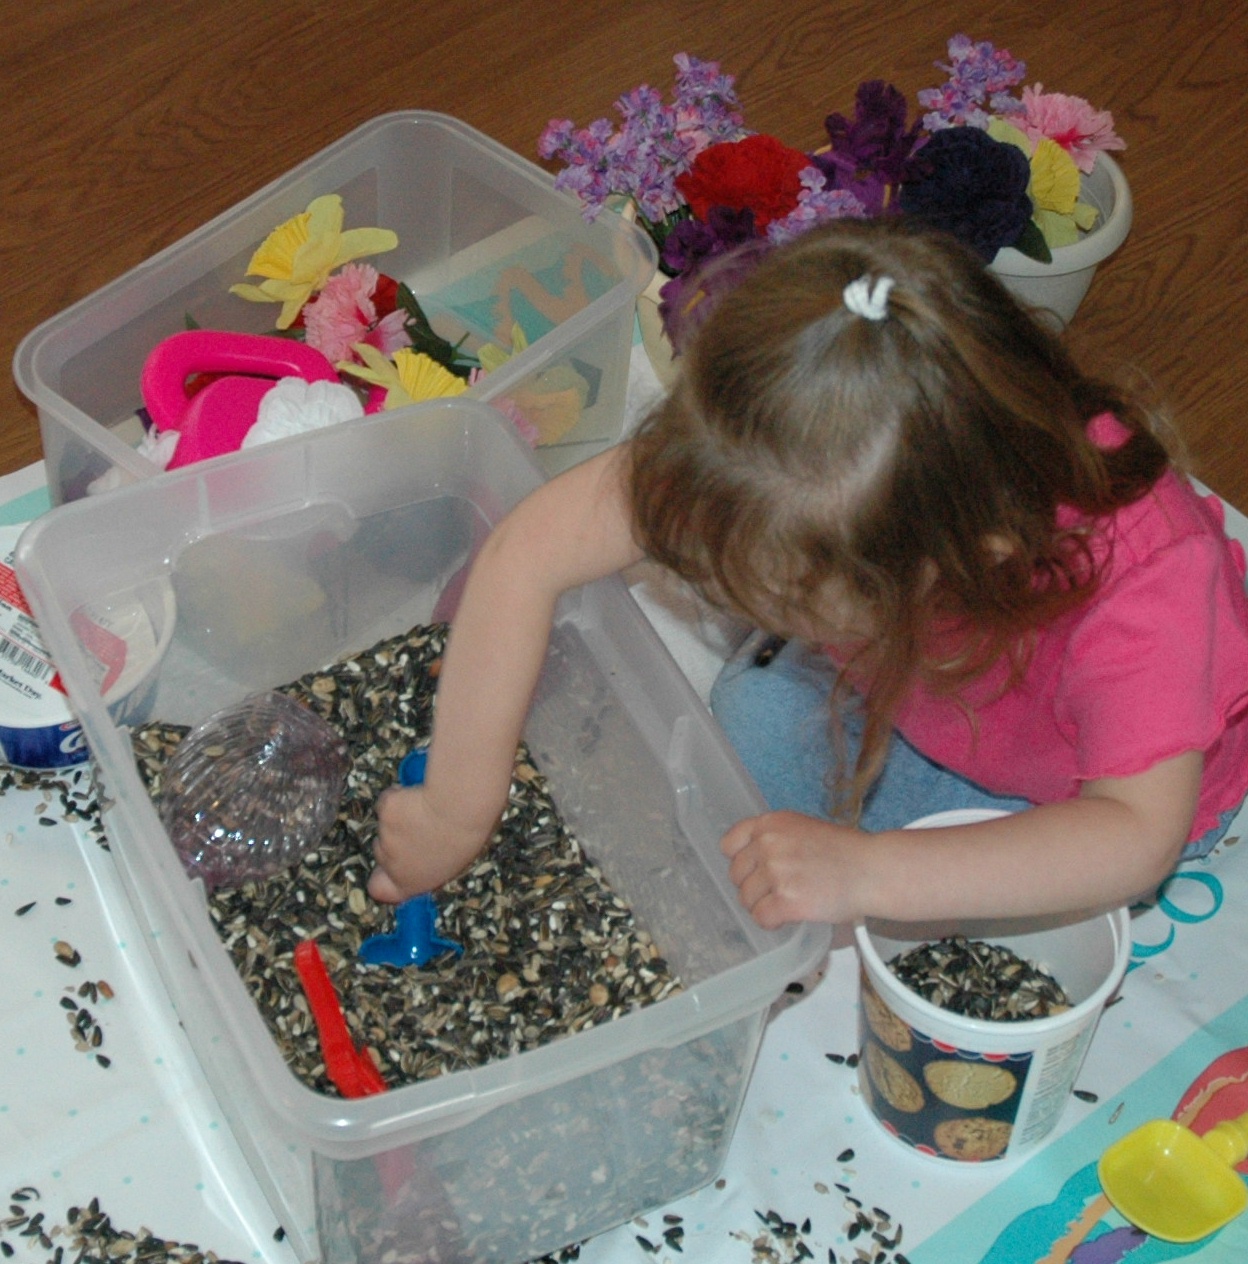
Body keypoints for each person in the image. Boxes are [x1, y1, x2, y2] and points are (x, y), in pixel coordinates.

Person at [368, 217, 1248, 932]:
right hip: (929, 702)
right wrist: (457, 803)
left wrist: (868, 873)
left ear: (956, 563)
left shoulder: (1147, 584)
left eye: (785, 598)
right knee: (753, 722)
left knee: (924, 907)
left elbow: (1135, 835)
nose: (721, 598)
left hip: (1091, 799)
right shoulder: (765, 444)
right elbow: (528, 553)